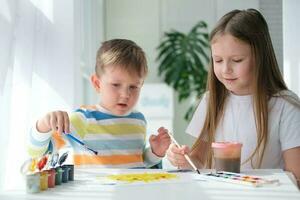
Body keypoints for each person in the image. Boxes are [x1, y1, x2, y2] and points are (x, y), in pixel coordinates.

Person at [166, 9, 300, 187]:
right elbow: (198, 160)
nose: (225, 70)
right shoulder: (210, 101)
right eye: (218, 60)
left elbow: (296, 177)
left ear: (261, 58)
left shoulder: (285, 106)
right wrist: (182, 158)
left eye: (237, 60)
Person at [28, 39, 171, 168]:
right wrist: (43, 125)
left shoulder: (138, 120)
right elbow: (38, 154)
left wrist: (155, 153)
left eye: (133, 87)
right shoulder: (83, 120)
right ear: (97, 83)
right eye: (116, 85)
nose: (126, 94)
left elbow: (140, 163)